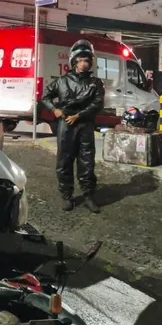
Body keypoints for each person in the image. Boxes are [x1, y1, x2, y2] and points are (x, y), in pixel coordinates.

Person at [40, 40, 105, 213]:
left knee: (87, 162)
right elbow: (45, 97)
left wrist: (79, 115)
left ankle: (88, 196)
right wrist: (54, 110)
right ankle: (67, 196)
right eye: (81, 59)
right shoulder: (61, 82)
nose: (84, 63)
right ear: (74, 61)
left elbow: (97, 104)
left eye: (87, 60)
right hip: (65, 126)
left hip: (85, 125)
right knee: (64, 161)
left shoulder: (95, 83)